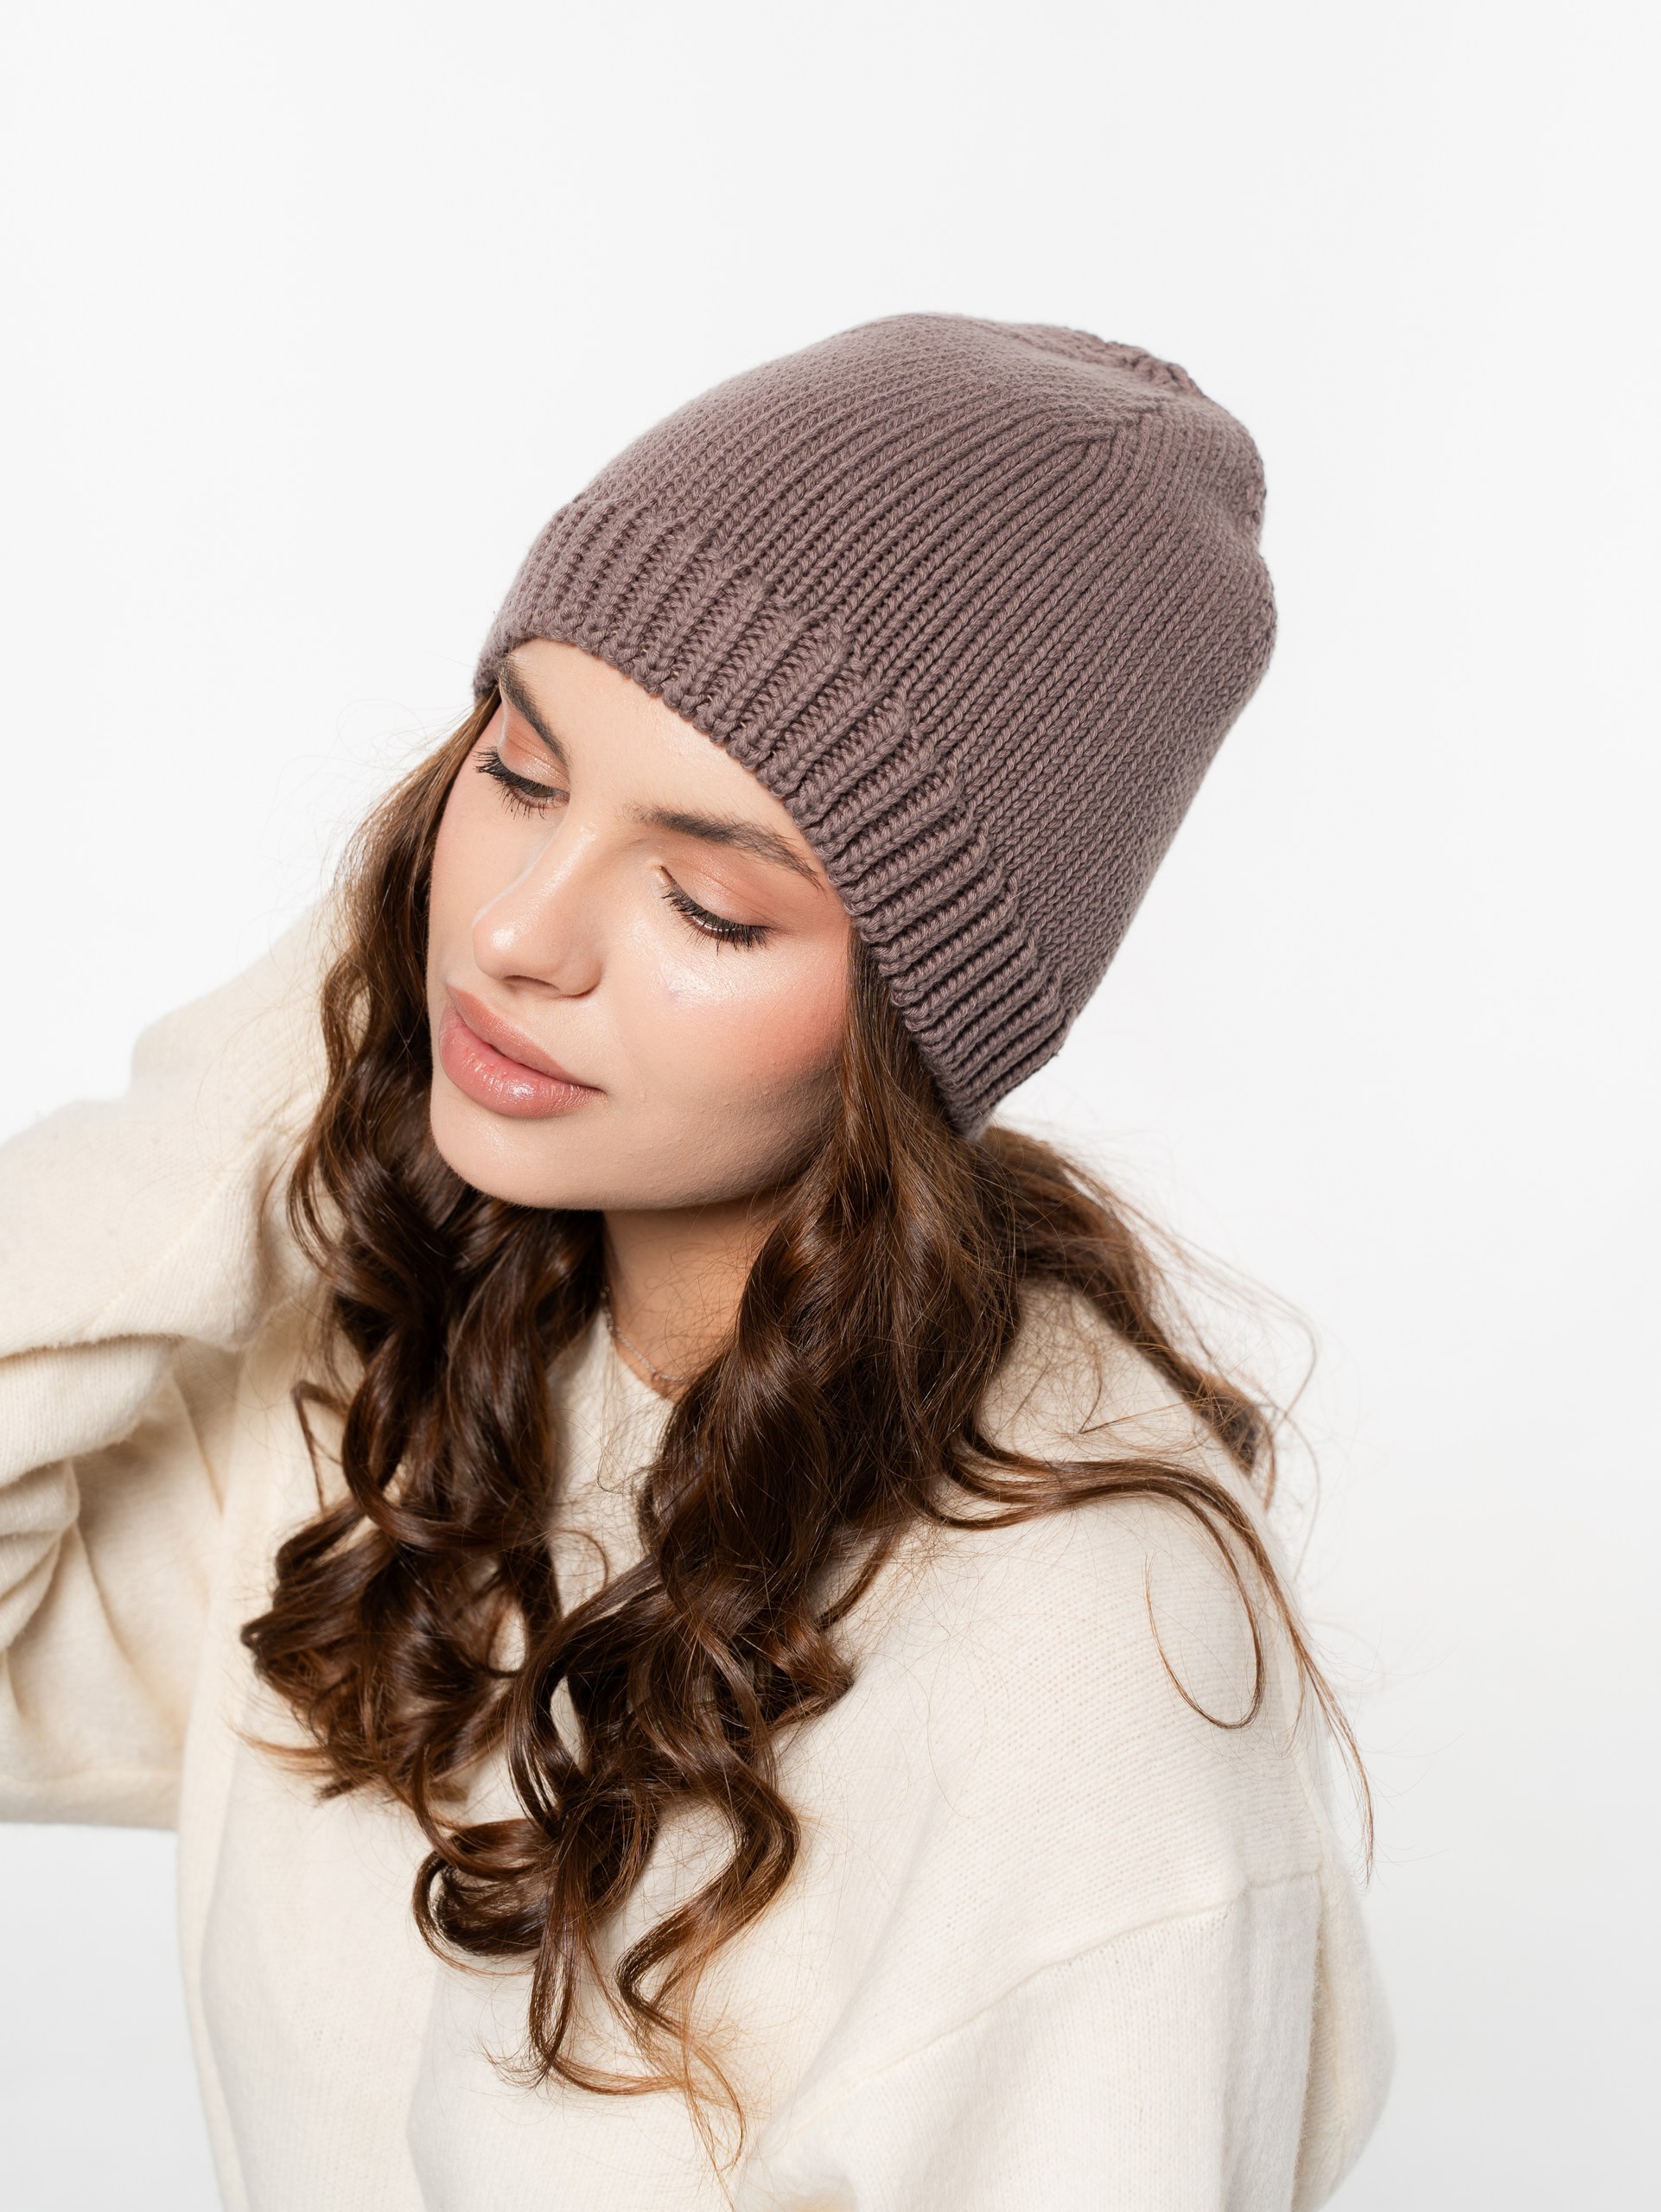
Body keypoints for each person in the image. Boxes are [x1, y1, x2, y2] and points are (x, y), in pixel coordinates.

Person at [0, 314, 1394, 2209]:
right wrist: (326, 1042)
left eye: (709, 901)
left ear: (917, 1021)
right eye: (518, 768)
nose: (518, 932)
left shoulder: (1075, 1664)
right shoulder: (416, 1382)